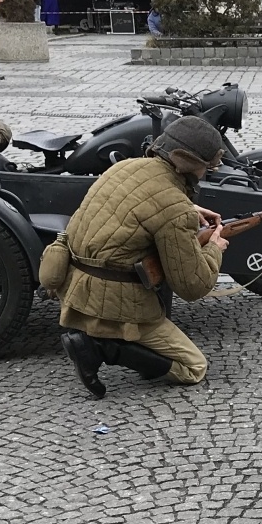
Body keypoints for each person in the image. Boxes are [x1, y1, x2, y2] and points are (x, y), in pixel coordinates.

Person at [45, 117, 230, 397]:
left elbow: (137, 204)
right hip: (112, 302)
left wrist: (186, 208)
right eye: (206, 167)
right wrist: (214, 248)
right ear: (190, 164)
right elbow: (192, 286)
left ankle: (106, 340)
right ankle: (101, 347)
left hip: (74, 285)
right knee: (193, 367)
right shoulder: (174, 207)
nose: (206, 173)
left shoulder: (124, 167)